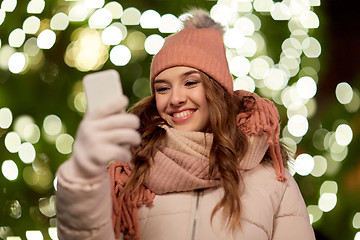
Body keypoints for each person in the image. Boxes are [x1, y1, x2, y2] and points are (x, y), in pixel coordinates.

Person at [55, 9, 316, 240]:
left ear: (218, 90)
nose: (176, 99)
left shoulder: (272, 180)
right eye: (163, 88)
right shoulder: (131, 173)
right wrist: (81, 177)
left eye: (191, 82)